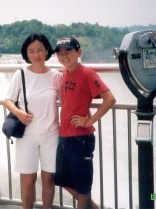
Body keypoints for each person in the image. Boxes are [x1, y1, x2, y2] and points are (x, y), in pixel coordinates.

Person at [54, 37, 116, 209]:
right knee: (61, 180)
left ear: (79, 52)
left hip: (81, 139)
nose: (64, 56)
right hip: (64, 136)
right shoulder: (63, 73)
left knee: (82, 189)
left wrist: (88, 121)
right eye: (60, 53)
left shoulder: (87, 73)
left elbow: (109, 99)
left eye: (68, 52)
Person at [4, 33, 62, 209]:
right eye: (31, 51)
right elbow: (8, 100)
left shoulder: (56, 76)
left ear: (47, 51)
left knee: (48, 179)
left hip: (51, 135)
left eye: (40, 50)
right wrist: (18, 112)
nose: (36, 55)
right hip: (27, 135)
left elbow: (68, 98)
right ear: (26, 53)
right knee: (28, 180)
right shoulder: (20, 74)